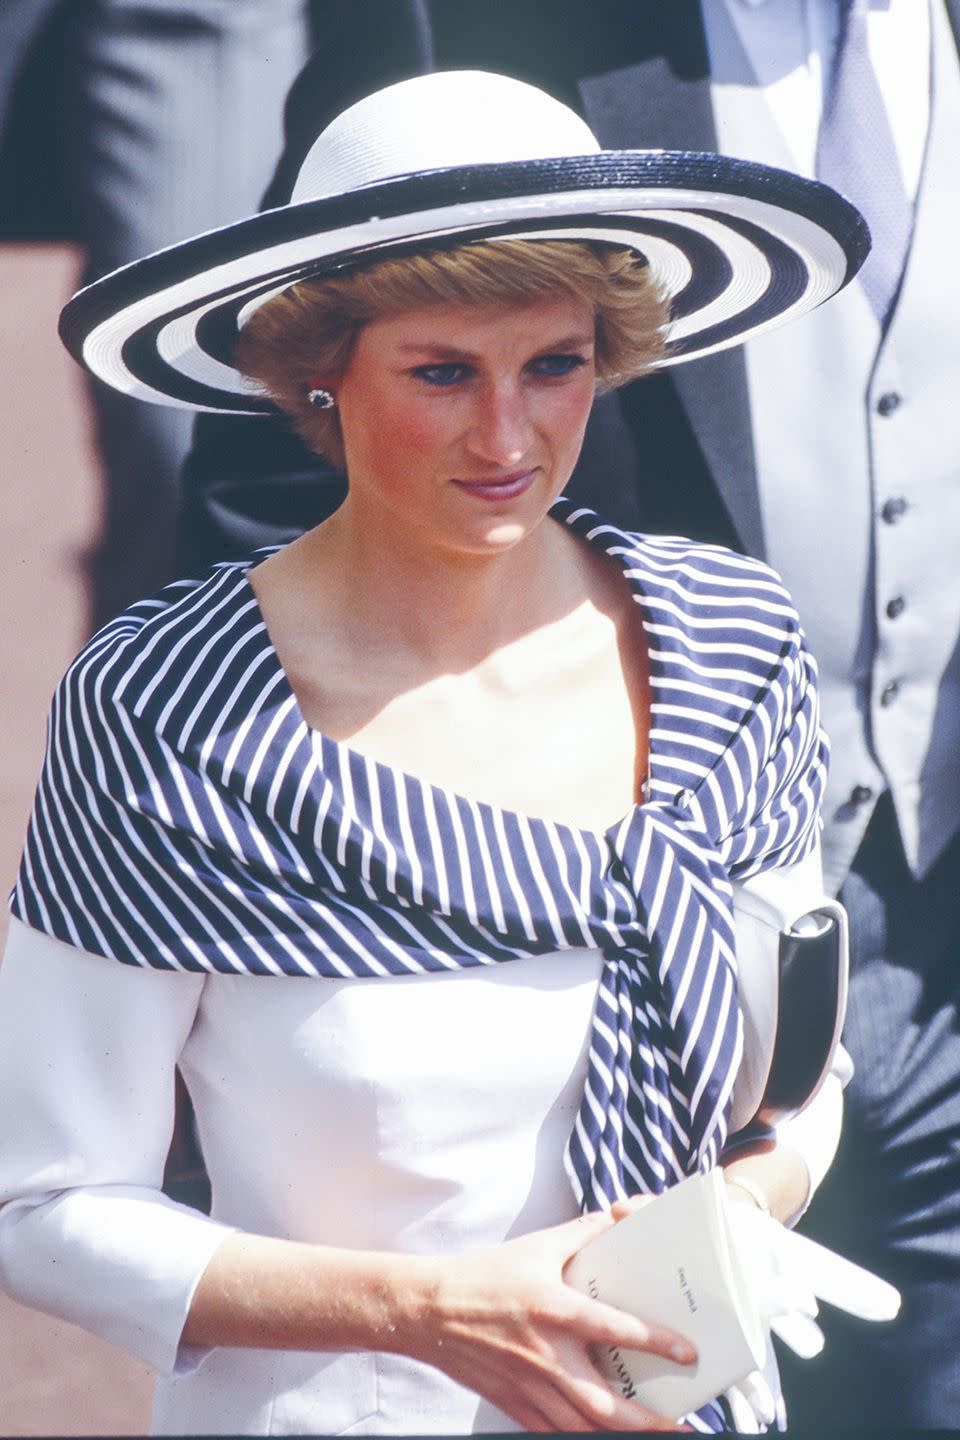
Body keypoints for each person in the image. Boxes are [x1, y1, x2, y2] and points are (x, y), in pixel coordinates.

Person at [0, 71, 871, 1434]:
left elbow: (803, 1068)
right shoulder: (170, 707)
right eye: (443, 373)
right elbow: (42, 1206)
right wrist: (437, 1313)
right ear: (318, 372)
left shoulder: (731, 645)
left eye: (555, 366)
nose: (508, 437)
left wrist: (730, 1216)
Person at [176, 5, 960, 1426]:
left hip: (938, 899)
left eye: (555, 372)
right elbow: (273, 477)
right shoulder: (458, 19)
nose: (508, 419)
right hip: (569, 986)